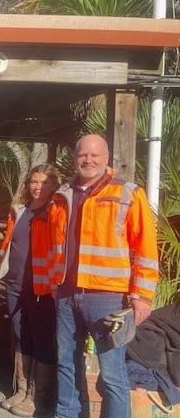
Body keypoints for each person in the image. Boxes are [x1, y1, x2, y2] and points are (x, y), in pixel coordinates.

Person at [49, 134, 159, 418]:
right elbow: (54, 245)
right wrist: (53, 283)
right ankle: (66, 414)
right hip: (65, 294)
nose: (88, 160)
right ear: (75, 158)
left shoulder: (128, 193)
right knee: (65, 362)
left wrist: (142, 296)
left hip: (107, 299)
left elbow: (146, 248)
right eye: (83, 155)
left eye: (95, 155)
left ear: (106, 158)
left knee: (112, 372)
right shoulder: (62, 194)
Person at [0, 164, 60, 417]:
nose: (38, 187)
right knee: (22, 334)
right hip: (15, 284)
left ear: (54, 185)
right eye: (34, 181)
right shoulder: (20, 210)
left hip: (41, 286)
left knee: (42, 338)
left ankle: (36, 398)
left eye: (44, 182)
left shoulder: (56, 211)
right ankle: (21, 391)